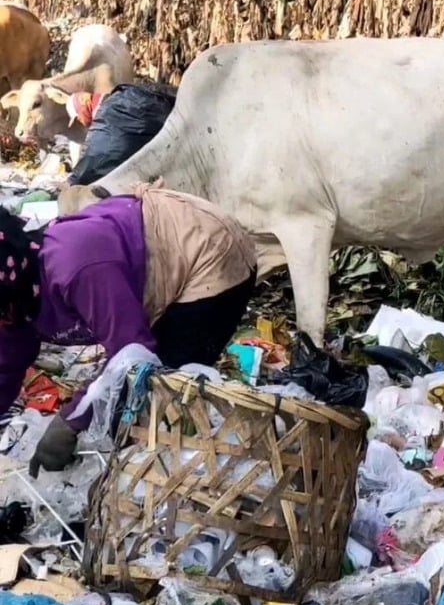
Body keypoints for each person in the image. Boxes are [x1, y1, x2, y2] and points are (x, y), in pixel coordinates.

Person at [0, 182, 258, 477]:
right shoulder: (14, 299)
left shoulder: (73, 267)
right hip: (150, 267)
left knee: (161, 393)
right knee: (126, 407)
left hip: (205, 250)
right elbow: (6, 364)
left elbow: (133, 353)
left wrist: (70, 421)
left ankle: (169, 493)